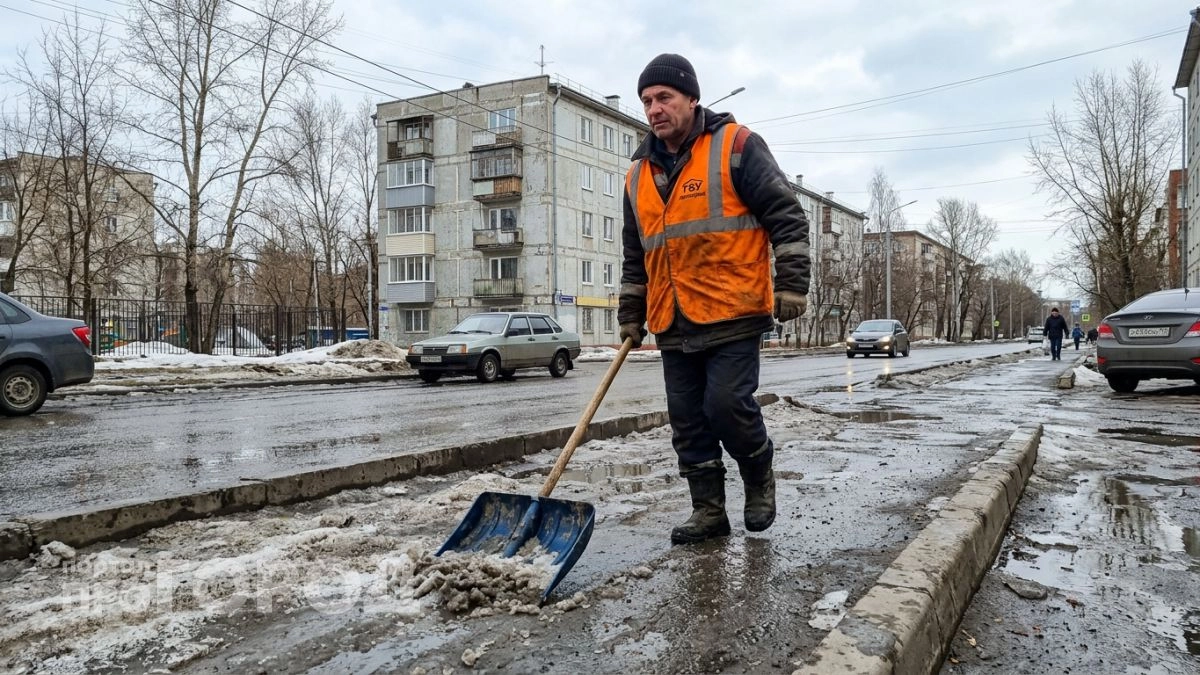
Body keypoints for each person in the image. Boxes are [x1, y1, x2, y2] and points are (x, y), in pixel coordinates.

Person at [618, 54, 811, 545]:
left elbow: (786, 216)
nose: (654, 108)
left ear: (691, 99)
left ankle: (758, 474)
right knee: (688, 422)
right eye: (646, 101)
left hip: (732, 309)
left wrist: (791, 285)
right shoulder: (637, 174)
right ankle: (708, 511)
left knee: (726, 406)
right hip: (672, 318)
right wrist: (630, 315)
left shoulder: (737, 145)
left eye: (664, 97)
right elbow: (634, 253)